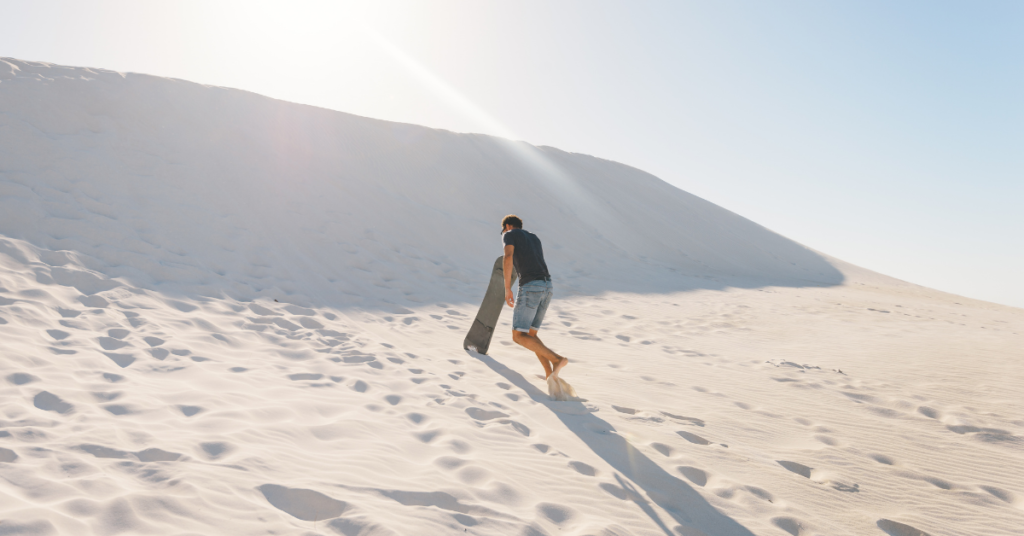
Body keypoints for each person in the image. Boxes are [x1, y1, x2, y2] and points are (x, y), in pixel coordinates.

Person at [501, 214, 568, 379]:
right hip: (547, 286)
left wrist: (507, 288)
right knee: (530, 335)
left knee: (518, 336)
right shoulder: (534, 238)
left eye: (503, 230)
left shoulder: (509, 234)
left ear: (508, 226)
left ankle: (557, 359)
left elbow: (508, 257)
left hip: (531, 287)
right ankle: (549, 373)